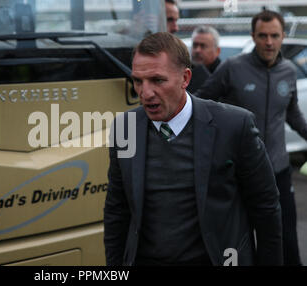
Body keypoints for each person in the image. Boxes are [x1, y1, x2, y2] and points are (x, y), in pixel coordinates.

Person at [104, 32, 283, 266]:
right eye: (138, 81)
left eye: (157, 80)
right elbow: (117, 212)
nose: (146, 93)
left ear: (185, 78)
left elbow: (266, 209)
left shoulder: (234, 126)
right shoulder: (124, 128)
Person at [195, 10, 305, 266]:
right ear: (253, 36)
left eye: (275, 36)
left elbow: (293, 114)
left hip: (278, 169)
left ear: (282, 37)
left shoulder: (288, 71)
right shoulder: (232, 68)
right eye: (263, 36)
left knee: (285, 239)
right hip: (239, 173)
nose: (269, 42)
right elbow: (201, 104)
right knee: (240, 242)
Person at [187, 25, 222, 94]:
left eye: (203, 46)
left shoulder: (224, 76)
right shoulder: (184, 73)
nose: (197, 50)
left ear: (217, 51)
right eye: (195, 45)